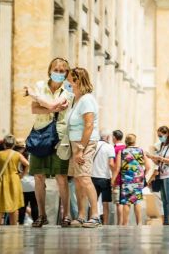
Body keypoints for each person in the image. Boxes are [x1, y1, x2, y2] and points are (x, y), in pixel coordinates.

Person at [24, 57, 73, 228]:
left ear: (66, 73)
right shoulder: (41, 86)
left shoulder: (68, 90)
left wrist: (35, 96)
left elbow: (53, 105)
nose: (58, 73)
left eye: (62, 71)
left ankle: (66, 215)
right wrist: (47, 105)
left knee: (61, 177)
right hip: (39, 136)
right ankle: (42, 215)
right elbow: (33, 109)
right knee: (38, 177)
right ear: (50, 70)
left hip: (60, 137)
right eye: (56, 70)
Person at [65, 67, 101, 227]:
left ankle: (95, 215)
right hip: (76, 143)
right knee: (78, 180)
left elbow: (89, 125)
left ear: (77, 80)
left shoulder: (86, 99)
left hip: (84, 143)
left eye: (70, 78)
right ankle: (81, 215)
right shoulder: (76, 100)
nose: (67, 81)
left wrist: (80, 148)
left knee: (85, 178)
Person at [111, 134, 151, 225]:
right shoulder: (141, 151)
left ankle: (125, 224)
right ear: (135, 141)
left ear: (126, 141)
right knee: (136, 201)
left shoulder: (122, 152)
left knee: (126, 202)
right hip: (138, 180)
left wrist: (113, 180)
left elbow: (117, 168)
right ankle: (139, 223)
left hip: (126, 180)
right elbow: (148, 167)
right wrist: (142, 175)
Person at [0, 135, 29, 225]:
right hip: (15, 180)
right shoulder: (17, 154)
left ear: (4, 144)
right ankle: (13, 225)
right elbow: (27, 164)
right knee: (14, 204)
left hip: (2, 180)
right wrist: (22, 175)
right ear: (13, 145)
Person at [148, 126, 169, 225]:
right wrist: (152, 157)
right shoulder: (162, 145)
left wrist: (159, 158)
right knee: (164, 200)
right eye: (158, 136)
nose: (160, 137)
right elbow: (159, 163)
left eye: (161, 135)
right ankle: (166, 221)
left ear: (167, 134)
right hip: (161, 174)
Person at [91, 130, 115, 225]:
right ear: (108, 137)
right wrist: (115, 175)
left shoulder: (93, 145)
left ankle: (92, 220)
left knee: (93, 201)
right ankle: (105, 223)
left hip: (93, 177)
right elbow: (111, 163)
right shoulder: (109, 147)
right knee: (105, 202)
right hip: (105, 178)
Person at [15, 140, 38, 225]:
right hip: (33, 183)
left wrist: (22, 175)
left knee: (22, 206)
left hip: (22, 184)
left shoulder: (18, 156)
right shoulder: (34, 156)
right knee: (34, 205)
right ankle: (36, 222)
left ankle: (20, 223)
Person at [110, 130, 125, 225]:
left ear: (114, 137)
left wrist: (113, 176)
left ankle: (119, 223)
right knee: (125, 202)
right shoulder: (125, 147)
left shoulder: (113, 149)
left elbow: (112, 164)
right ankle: (124, 222)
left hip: (118, 178)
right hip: (128, 178)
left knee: (118, 203)